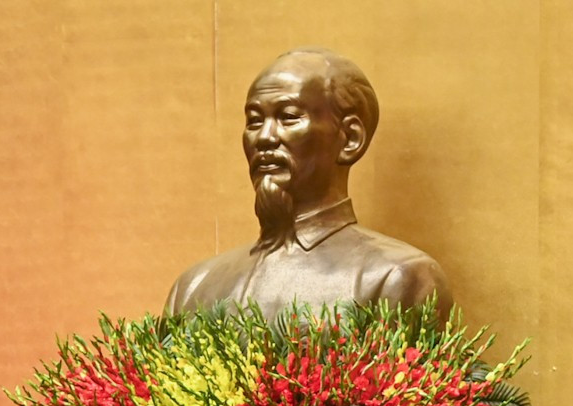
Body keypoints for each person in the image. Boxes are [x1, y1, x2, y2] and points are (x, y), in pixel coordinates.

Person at [167, 48, 451, 317]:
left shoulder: (396, 279)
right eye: (254, 121)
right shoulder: (195, 288)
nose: (264, 137)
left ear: (350, 139)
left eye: (288, 117)